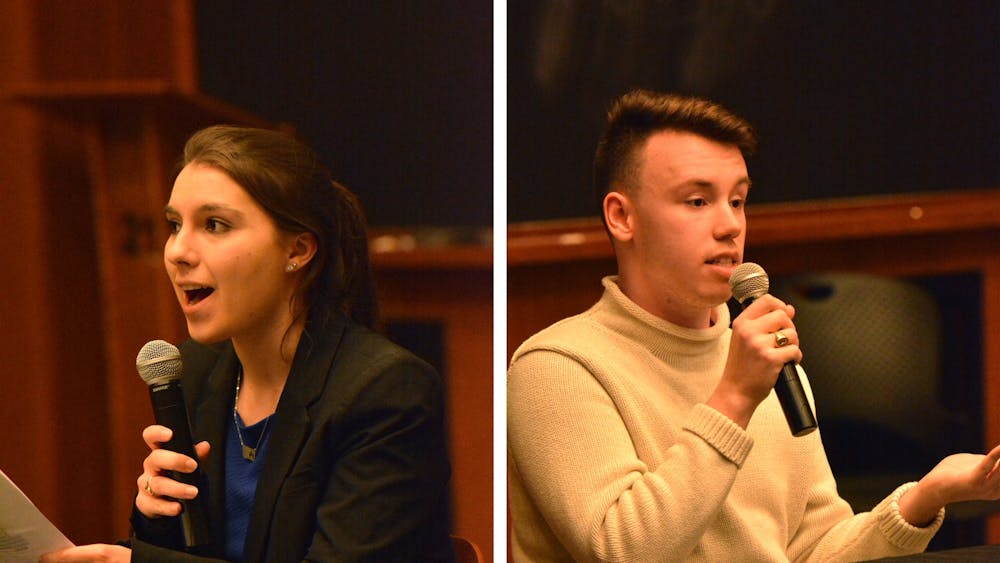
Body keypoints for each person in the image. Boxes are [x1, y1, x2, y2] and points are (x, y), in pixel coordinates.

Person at [506, 90, 1000, 562]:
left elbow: (814, 550)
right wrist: (735, 398)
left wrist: (922, 499)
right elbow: (624, 551)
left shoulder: (762, 362)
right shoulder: (556, 368)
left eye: (738, 201)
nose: (730, 225)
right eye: (698, 201)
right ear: (622, 217)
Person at [44, 125, 455, 562]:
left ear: (297, 249)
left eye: (214, 225)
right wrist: (155, 514)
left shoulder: (386, 391)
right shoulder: (195, 369)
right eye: (174, 225)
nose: (177, 251)